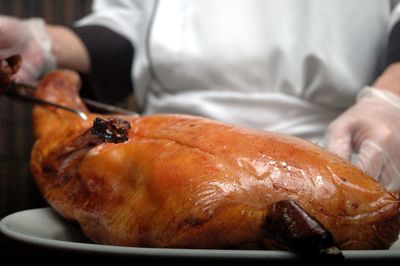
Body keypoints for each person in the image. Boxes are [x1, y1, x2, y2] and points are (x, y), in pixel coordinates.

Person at [0, 0, 400, 191]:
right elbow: (132, 25)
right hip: (155, 165)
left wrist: (390, 101)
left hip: (337, 153)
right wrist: (43, 43)